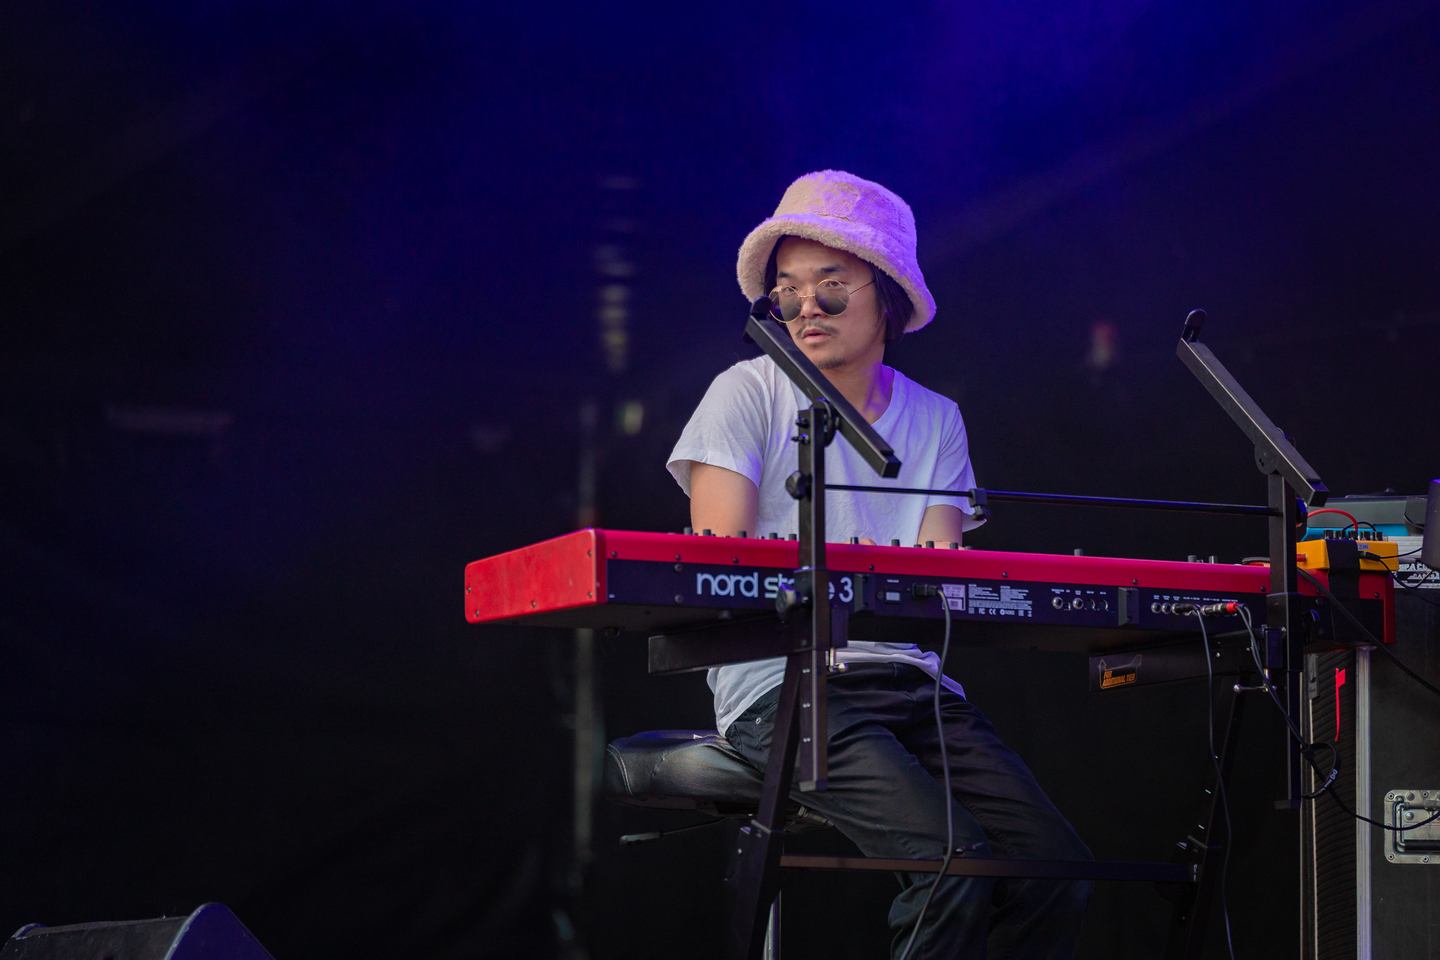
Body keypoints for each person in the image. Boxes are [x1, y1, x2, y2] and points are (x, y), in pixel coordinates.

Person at [666, 170, 1091, 959]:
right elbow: (722, 568)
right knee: (949, 862)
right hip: (783, 684)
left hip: (910, 681)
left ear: (886, 295)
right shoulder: (745, 394)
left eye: (831, 287)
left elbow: (934, 576)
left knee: (1055, 868)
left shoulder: (936, 418)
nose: (806, 309)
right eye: (787, 292)